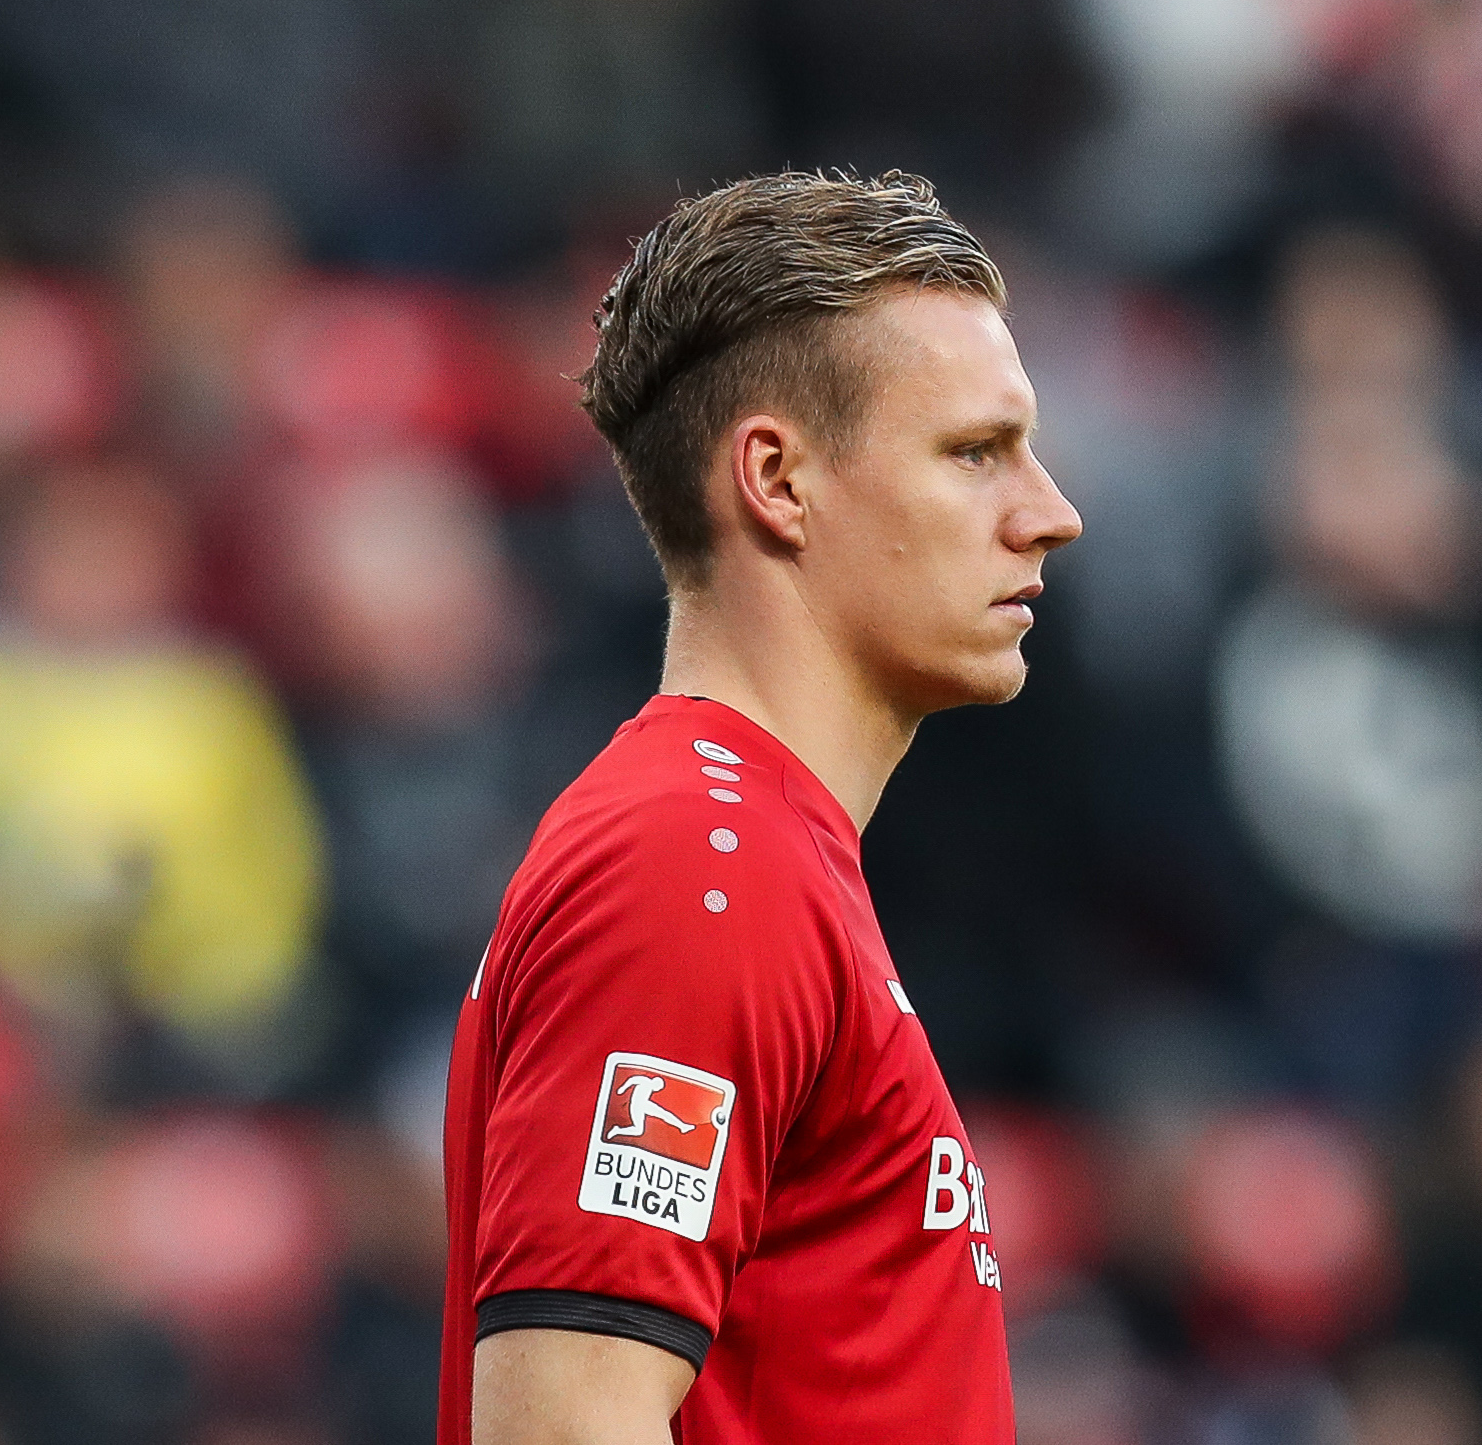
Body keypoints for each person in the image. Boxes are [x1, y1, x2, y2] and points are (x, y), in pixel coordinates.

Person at [438, 169, 1085, 1445]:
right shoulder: (699, 859)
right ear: (778, 479)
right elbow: (567, 1426)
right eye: (975, 451)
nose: (1050, 513)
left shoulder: (752, 849)